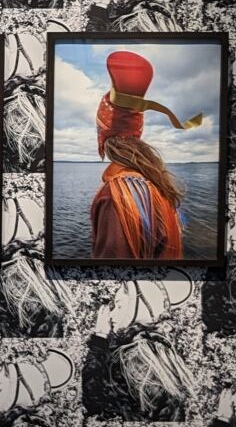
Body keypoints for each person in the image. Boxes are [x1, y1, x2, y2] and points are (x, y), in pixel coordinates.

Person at [91, 51, 202, 259]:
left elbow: (111, 273)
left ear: (104, 135)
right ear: (137, 133)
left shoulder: (115, 196)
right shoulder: (157, 181)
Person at [82, 272, 194, 421]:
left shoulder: (135, 356)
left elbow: (95, 401)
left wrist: (99, 339)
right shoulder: (152, 350)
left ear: (141, 309)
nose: (111, 314)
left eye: (120, 306)